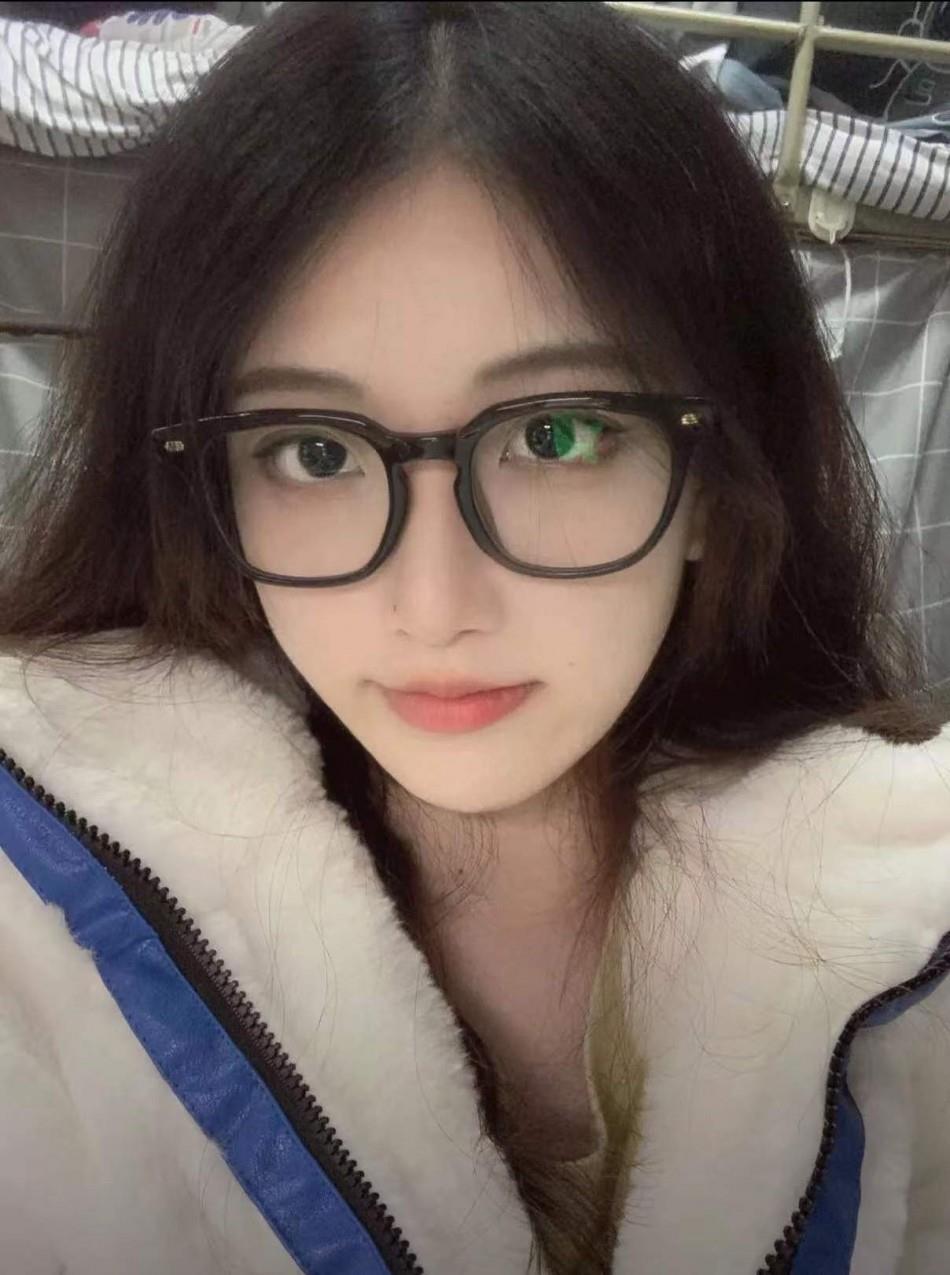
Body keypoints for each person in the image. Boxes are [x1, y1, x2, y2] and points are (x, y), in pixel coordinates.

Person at [0, 3, 947, 1273]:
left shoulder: (913, 953)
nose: (433, 603)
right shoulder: (37, 928)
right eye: (314, 452)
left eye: (554, 434)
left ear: (718, 484)